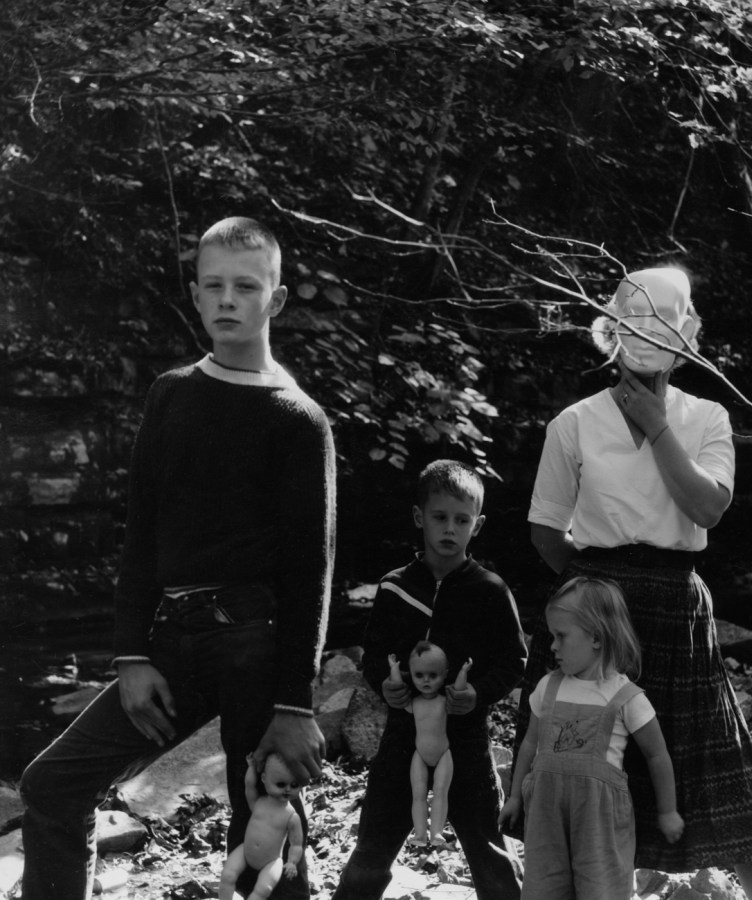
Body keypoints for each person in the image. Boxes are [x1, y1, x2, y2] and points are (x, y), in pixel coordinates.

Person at [19, 216, 336, 900]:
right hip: (171, 643)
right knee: (53, 781)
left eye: (245, 287)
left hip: (257, 641)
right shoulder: (171, 395)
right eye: (214, 285)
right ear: (194, 294)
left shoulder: (298, 419)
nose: (228, 300)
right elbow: (141, 537)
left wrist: (295, 704)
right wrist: (132, 656)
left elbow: (312, 571)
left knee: (262, 826)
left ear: (275, 301)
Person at [520, 268, 752, 899]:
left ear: (684, 342)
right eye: (634, 332)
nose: (645, 347)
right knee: (593, 787)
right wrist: (590, 597)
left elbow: (707, 508)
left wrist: (657, 426)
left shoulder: (706, 417)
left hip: (677, 609)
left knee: (726, 791)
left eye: (659, 333)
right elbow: (545, 530)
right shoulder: (574, 423)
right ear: (612, 338)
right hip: (593, 612)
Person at [333, 459, 525, 900]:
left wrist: (477, 694)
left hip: (467, 741)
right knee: (373, 845)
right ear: (420, 517)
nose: (450, 529)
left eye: (462, 520)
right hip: (403, 736)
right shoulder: (395, 587)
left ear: (477, 526)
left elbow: (515, 659)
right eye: (440, 517)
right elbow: (374, 653)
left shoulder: (490, 590)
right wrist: (386, 682)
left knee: (487, 847)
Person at [499, 577, 683, 899]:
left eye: (561, 636)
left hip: (598, 817)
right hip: (545, 811)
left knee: (601, 886)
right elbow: (529, 743)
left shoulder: (624, 696)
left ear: (596, 638)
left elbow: (657, 755)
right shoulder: (548, 686)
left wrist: (668, 810)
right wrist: (514, 797)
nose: (552, 645)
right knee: (543, 885)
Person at [387, 642, 473, 847]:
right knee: (418, 793)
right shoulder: (414, 702)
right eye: (419, 675)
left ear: (444, 675)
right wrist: (394, 669)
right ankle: (419, 834)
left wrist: (464, 671)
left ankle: (436, 832)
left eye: (433, 676)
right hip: (420, 754)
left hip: (443, 753)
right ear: (412, 675)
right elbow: (397, 688)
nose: (426, 680)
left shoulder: (444, 701)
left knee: (440, 791)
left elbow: (459, 691)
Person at [220, 753, 304, 900]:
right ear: (264, 779)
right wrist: (251, 767)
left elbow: (296, 844)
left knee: (263, 890)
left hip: (271, 861)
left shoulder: (292, 816)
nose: (287, 789)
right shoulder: (259, 803)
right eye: (281, 784)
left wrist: (292, 862)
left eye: (294, 785)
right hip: (245, 851)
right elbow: (249, 786)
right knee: (227, 875)